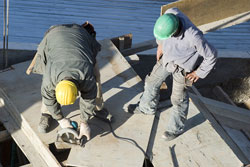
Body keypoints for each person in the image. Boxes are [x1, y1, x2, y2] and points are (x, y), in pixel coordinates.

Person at [128, 8, 217, 141]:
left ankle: (175, 129)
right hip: (167, 58)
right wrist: (160, 45)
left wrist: (199, 72)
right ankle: (146, 108)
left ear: (175, 31)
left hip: (182, 68)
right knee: (152, 81)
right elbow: (160, 33)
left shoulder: (193, 37)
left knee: (178, 99)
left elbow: (211, 55)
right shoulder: (170, 12)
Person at [28, 21, 106, 140]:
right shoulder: (50, 80)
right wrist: (61, 119)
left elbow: (88, 97)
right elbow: (49, 98)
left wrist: (84, 122)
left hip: (80, 36)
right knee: (46, 86)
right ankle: (47, 113)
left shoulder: (86, 76)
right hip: (53, 36)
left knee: (96, 77)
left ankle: (97, 107)